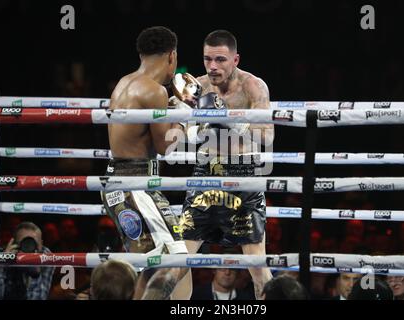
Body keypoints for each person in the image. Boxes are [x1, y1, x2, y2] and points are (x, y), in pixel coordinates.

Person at [175, 30, 275, 300]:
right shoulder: (196, 87)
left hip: (243, 174)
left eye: (220, 59)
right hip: (206, 171)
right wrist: (186, 119)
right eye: (208, 59)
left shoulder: (253, 87)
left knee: (256, 266)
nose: (213, 66)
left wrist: (231, 119)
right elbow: (178, 136)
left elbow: (267, 135)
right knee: (179, 261)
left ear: (236, 59)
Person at [100, 26, 191, 300]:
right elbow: (165, 147)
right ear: (172, 56)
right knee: (174, 262)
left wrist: (174, 110)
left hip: (125, 184)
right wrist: (186, 113)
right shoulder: (154, 91)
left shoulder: (125, 81)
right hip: (135, 187)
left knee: (151, 268)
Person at [0, 222, 55, 300]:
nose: (30, 247)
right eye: (25, 243)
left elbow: (38, 298)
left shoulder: (46, 256)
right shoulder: (1, 255)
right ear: (14, 244)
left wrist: (34, 273)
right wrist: (3, 265)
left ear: (41, 244)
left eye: (34, 243)